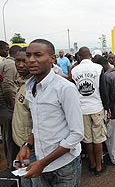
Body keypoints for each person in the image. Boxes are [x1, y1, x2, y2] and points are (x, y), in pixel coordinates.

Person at [16, 39, 84, 186]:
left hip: (64, 165)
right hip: (40, 160)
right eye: (28, 55)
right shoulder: (30, 86)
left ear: (52, 59)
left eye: (38, 55)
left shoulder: (65, 88)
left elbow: (77, 134)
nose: (31, 60)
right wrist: (27, 145)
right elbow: (39, 123)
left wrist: (43, 163)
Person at [71, 47, 107, 176]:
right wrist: (106, 108)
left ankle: (91, 164)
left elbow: (73, 91)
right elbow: (103, 90)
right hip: (97, 107)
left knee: (88, 139)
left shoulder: (74, 70)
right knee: (98, 139)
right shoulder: (98, 68)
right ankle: (98, 166)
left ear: (79, 57)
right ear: (90, 55)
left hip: (82, 109)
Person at [11, 47, 42, 187]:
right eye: (18, 61)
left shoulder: (35, 87)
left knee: (35, 182)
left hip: (32, 148)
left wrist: (28, 144)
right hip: (23, 146)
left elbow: (42, 121)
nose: (21, 65)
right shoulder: (22, 83)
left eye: (25, 61)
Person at [97, 56, 115, 166]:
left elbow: (106, 96)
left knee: (110, 137)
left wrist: (106, 111)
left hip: (111, 111)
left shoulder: (106, 77)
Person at [0, 45, 20, 170]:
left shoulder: (5, 63)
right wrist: (13, 107)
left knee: (7, 136)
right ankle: (12, 167)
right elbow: (7, 87)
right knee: (10, 137)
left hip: (4, 106)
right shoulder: (11, 65)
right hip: (7, 105)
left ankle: (10, 163)